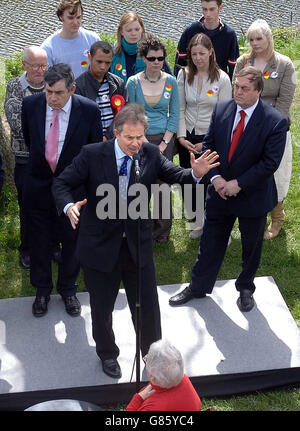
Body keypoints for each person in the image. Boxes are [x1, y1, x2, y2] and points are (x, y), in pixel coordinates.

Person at [52, 103, 220, 379]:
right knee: (102, 308)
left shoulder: (150, 154)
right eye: (129, 138)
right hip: (99, 246)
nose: (135, 143)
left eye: (140, 137)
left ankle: (152, 358)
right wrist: (69, 205)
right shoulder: (92, 155)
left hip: (137, 246)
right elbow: (61, 183)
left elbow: (176, 175)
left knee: (148, 309)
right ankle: (107, 354)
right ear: (115, 133)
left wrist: (196, 174)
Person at [169, 67, 287, 313]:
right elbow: (209, 145)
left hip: (252, 196)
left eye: (244, 88)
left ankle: (245, 288)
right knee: (211, 242)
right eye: (236, 86)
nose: (238, 92)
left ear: (258, 91)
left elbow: (269, 162)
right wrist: (216, 179)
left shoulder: (274, 121)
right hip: (219, 191)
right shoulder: (222, 109)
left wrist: (238, 184)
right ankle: (198, 286)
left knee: (250, 246)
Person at [21, 63, 102, 318]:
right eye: (48, 92)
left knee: (72, 241)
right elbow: (30, 139)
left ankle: (68, 289)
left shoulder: (88, 111)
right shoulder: (31, 106)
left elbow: (92, 153)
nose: (52, 98)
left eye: (58, 93)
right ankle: (42, 290)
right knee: (40, 241)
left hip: (72, 191)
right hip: (38, 186)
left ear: (72, 89)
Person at [233, 19, 296, 240]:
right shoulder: (243, 61)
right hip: (246, 127)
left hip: (275, 129)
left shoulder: (284, 64)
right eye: (251, 39)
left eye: (259, 38)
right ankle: (252, 214)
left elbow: (284, 100)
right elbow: (237, 94)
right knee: (249, 171)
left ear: (268, 38)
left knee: (276, 173)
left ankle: (277, 217)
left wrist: (268, 127)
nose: (255, 43)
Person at [4, 46, 62, 269]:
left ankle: (53, 245)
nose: (41, 70)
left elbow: (62, 115)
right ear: (24, 65)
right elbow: (17, 124)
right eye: (36, 65)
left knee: (55, 202)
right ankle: (27, 248)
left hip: (54, 158)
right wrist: (49, 132)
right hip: (25, 158)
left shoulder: (55, 85)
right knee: (28, 204)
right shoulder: (15, 87)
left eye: (44, 65)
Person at [177, 33, 232, 239]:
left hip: (211, 138)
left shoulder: (223, 78)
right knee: (190, 181)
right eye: (194, 54)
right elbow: (180, 108)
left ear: (211, 52)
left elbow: (224, 116)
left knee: (212, 184)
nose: (198, 58)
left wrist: (206, 142)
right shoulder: (183, 75)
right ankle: (197, 222)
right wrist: (182, 137)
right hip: (188, 138)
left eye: (202, 53)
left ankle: (217, 227)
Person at [126, 34, 180, 243]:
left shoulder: (171, 82)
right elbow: (131, 114)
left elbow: (175, 114)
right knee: (139, 184)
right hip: (139, 139)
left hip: (164, 139)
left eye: (160, 58)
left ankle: (162, 230)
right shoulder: (133, 83)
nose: (156, 62)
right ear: (143, 59)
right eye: (151, 58)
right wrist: (145, 142)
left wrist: (165, 143)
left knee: (163, 186)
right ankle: (139, 227)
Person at [126, 339, 201, 411]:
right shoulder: (183, 378)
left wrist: (138, 398)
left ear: (153, 378)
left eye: (147, 359)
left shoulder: (153, 407)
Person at [174, 0, 239, 80]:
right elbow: (180, 61)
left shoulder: (229, 35)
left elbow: (233, 67)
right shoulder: (191, 30)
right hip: (193, 82)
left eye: (212, 9)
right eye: (205, 9)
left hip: (218, 82)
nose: (208, 14)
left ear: (220, 7)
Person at [75, 41, 127, 140]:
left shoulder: (118, 83)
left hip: (115, 141)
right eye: (99, 62)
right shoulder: (78, 86)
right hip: (89, 142)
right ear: (90, 57)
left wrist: (108, 136)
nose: (103, 67)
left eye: (107, 63)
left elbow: (124, 114)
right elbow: (79, 120)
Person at [41, 0, 100, 79]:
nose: (75, 22)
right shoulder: (48, 48)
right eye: (70, 18)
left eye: (78, 17)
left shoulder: (94, 39)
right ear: (61, 17)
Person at [110, 11, 172, 83]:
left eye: (137, 29)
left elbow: (170, 78)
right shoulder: (112, 52)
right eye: (129, 30)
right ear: (121, 32)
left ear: (142, 30)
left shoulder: (151, 50)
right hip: (119, 93)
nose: (133, 33)